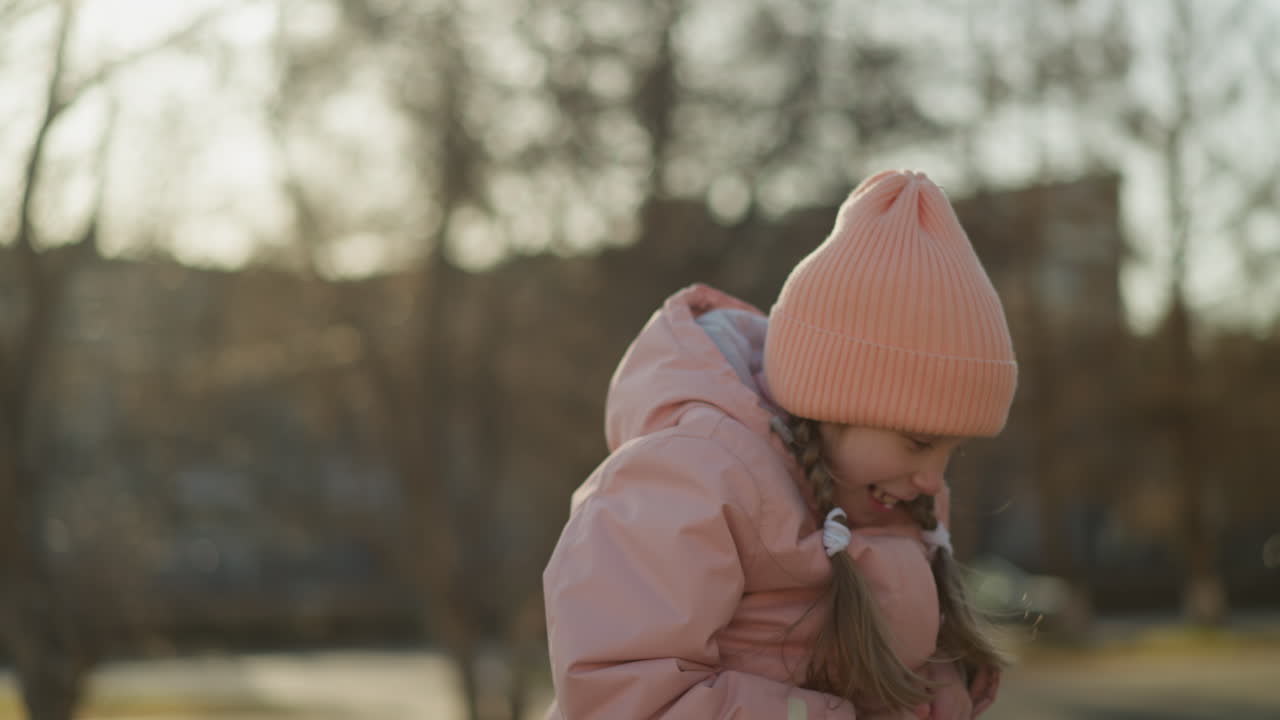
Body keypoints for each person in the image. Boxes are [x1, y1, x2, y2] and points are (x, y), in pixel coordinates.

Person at [542, 170, 1017, 719]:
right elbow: (625, 698)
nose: (933, 479)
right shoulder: (690, 481)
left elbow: (885, 629)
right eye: (917, 442)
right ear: (833, 401)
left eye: (951, 451)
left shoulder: (892, 496)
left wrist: (935, 681)